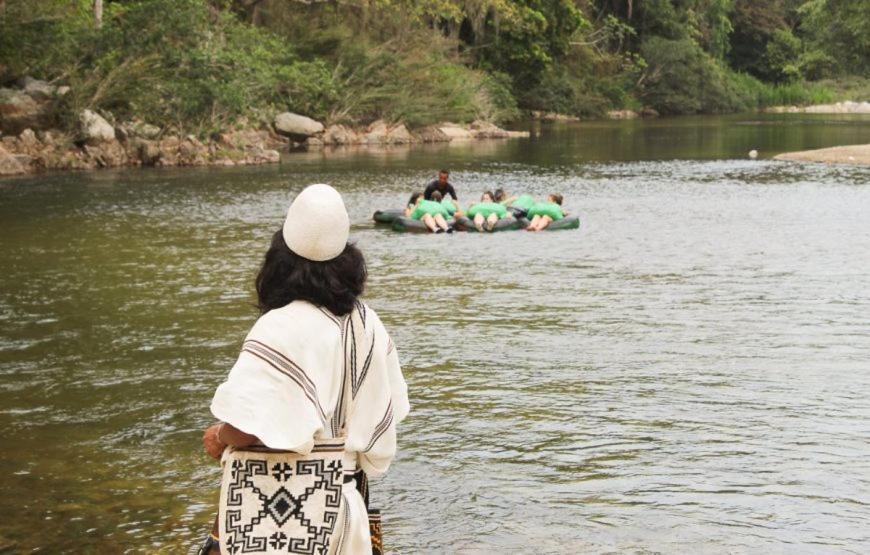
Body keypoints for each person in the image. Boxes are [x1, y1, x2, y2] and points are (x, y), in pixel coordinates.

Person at [201, 184, 410, 554]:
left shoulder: (278, 326)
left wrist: (220, 437)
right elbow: (386, 418)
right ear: (348, 258)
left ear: (280, 258)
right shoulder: (368, 324)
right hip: (348, 514)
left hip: (280, 521)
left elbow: (248, 428)